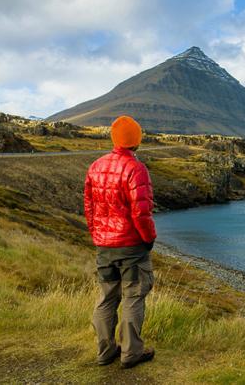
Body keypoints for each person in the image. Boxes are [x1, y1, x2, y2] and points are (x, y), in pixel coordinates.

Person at [84, 115, 157, 368]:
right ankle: (130, 353)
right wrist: (149, 239)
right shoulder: (136, 169)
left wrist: (97, 235)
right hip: (132, 246)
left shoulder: (96, 166)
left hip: (104, 246)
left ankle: (105, 352)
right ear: (136, 140)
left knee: (107, 298)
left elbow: (89, 207)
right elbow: (142, 212)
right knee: (133, 297)